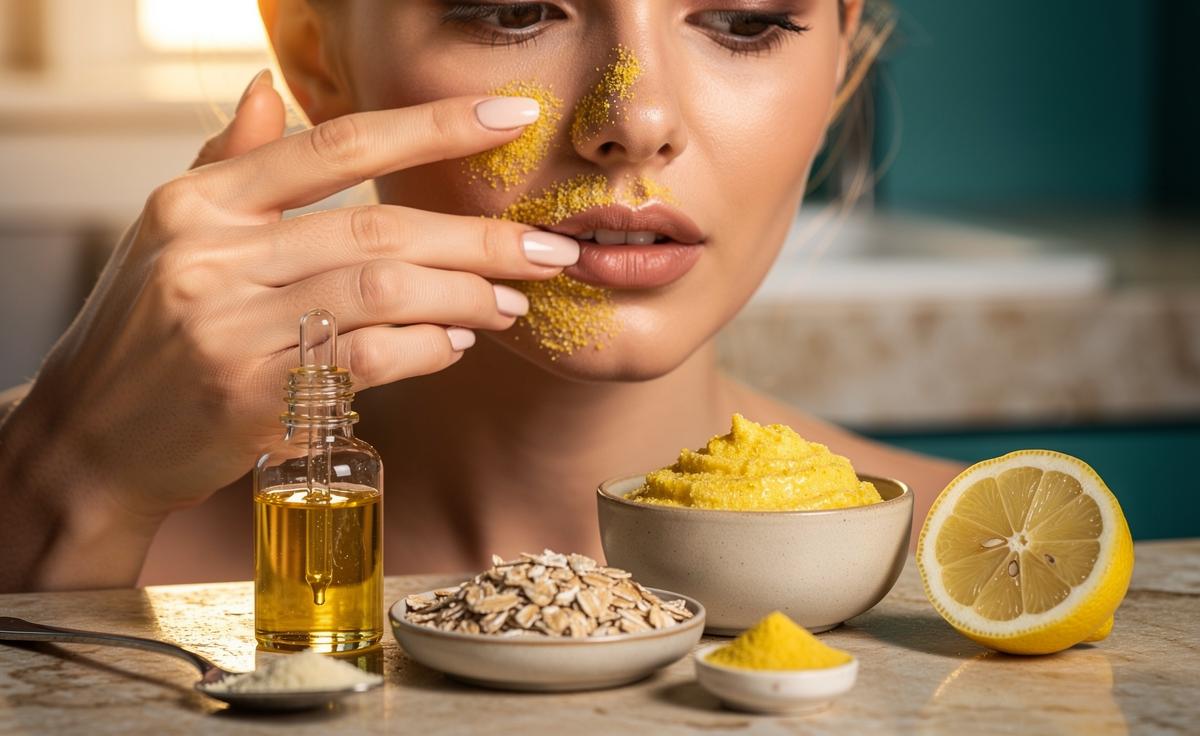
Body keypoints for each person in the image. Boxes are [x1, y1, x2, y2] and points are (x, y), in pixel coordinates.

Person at [0, 0, 961, 592]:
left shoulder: (982, 558)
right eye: (512, 10)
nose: (636, 120)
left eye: (745, 21)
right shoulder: (37, 490)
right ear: (316, 54)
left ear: (839, 49)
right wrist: (62, 491)